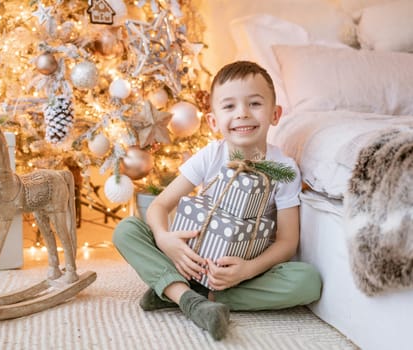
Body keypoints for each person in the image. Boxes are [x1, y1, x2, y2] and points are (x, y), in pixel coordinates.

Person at [112, 61, 322, 340]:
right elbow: (161, 205)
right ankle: (188, 297)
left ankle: (181, 294)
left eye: (255, 103)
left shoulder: (283, 169)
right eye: (229, 106)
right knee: (127, 230)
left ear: (275, 114)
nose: (243, 114)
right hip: (190, 258)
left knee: (307, 282)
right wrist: (165, 240)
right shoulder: (211, 155)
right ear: (213, 121)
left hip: (240, 269)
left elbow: (286, 242)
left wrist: (247, 270)